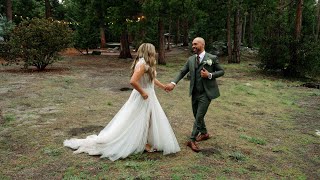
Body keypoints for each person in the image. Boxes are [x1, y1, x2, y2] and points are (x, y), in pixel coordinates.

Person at [64, 43, 180, 161]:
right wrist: (143, 93)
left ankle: (145, 141)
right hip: (143, 96)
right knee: (140, 119)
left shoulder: (146, 64)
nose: (155, 52)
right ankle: (142, 143)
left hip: (150, 95)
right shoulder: (142, 64)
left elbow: (152, 79)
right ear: (149, 51)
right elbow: (133, 81)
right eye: (153, 50)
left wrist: (163, 86)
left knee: (149, 119)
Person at [165, 37, 224, 152]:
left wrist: (210, 75)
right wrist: (173, 83)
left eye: (195, 44)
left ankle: (192, 140)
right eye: (192, 44)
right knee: (196, 114)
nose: (193, 46)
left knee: (198, 117)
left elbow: (221, 71)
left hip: (206, 93)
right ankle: (205, 133)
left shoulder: (212, 58)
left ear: (202, 44)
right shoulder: (191, 59)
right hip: (194, 92)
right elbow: (182, 72)